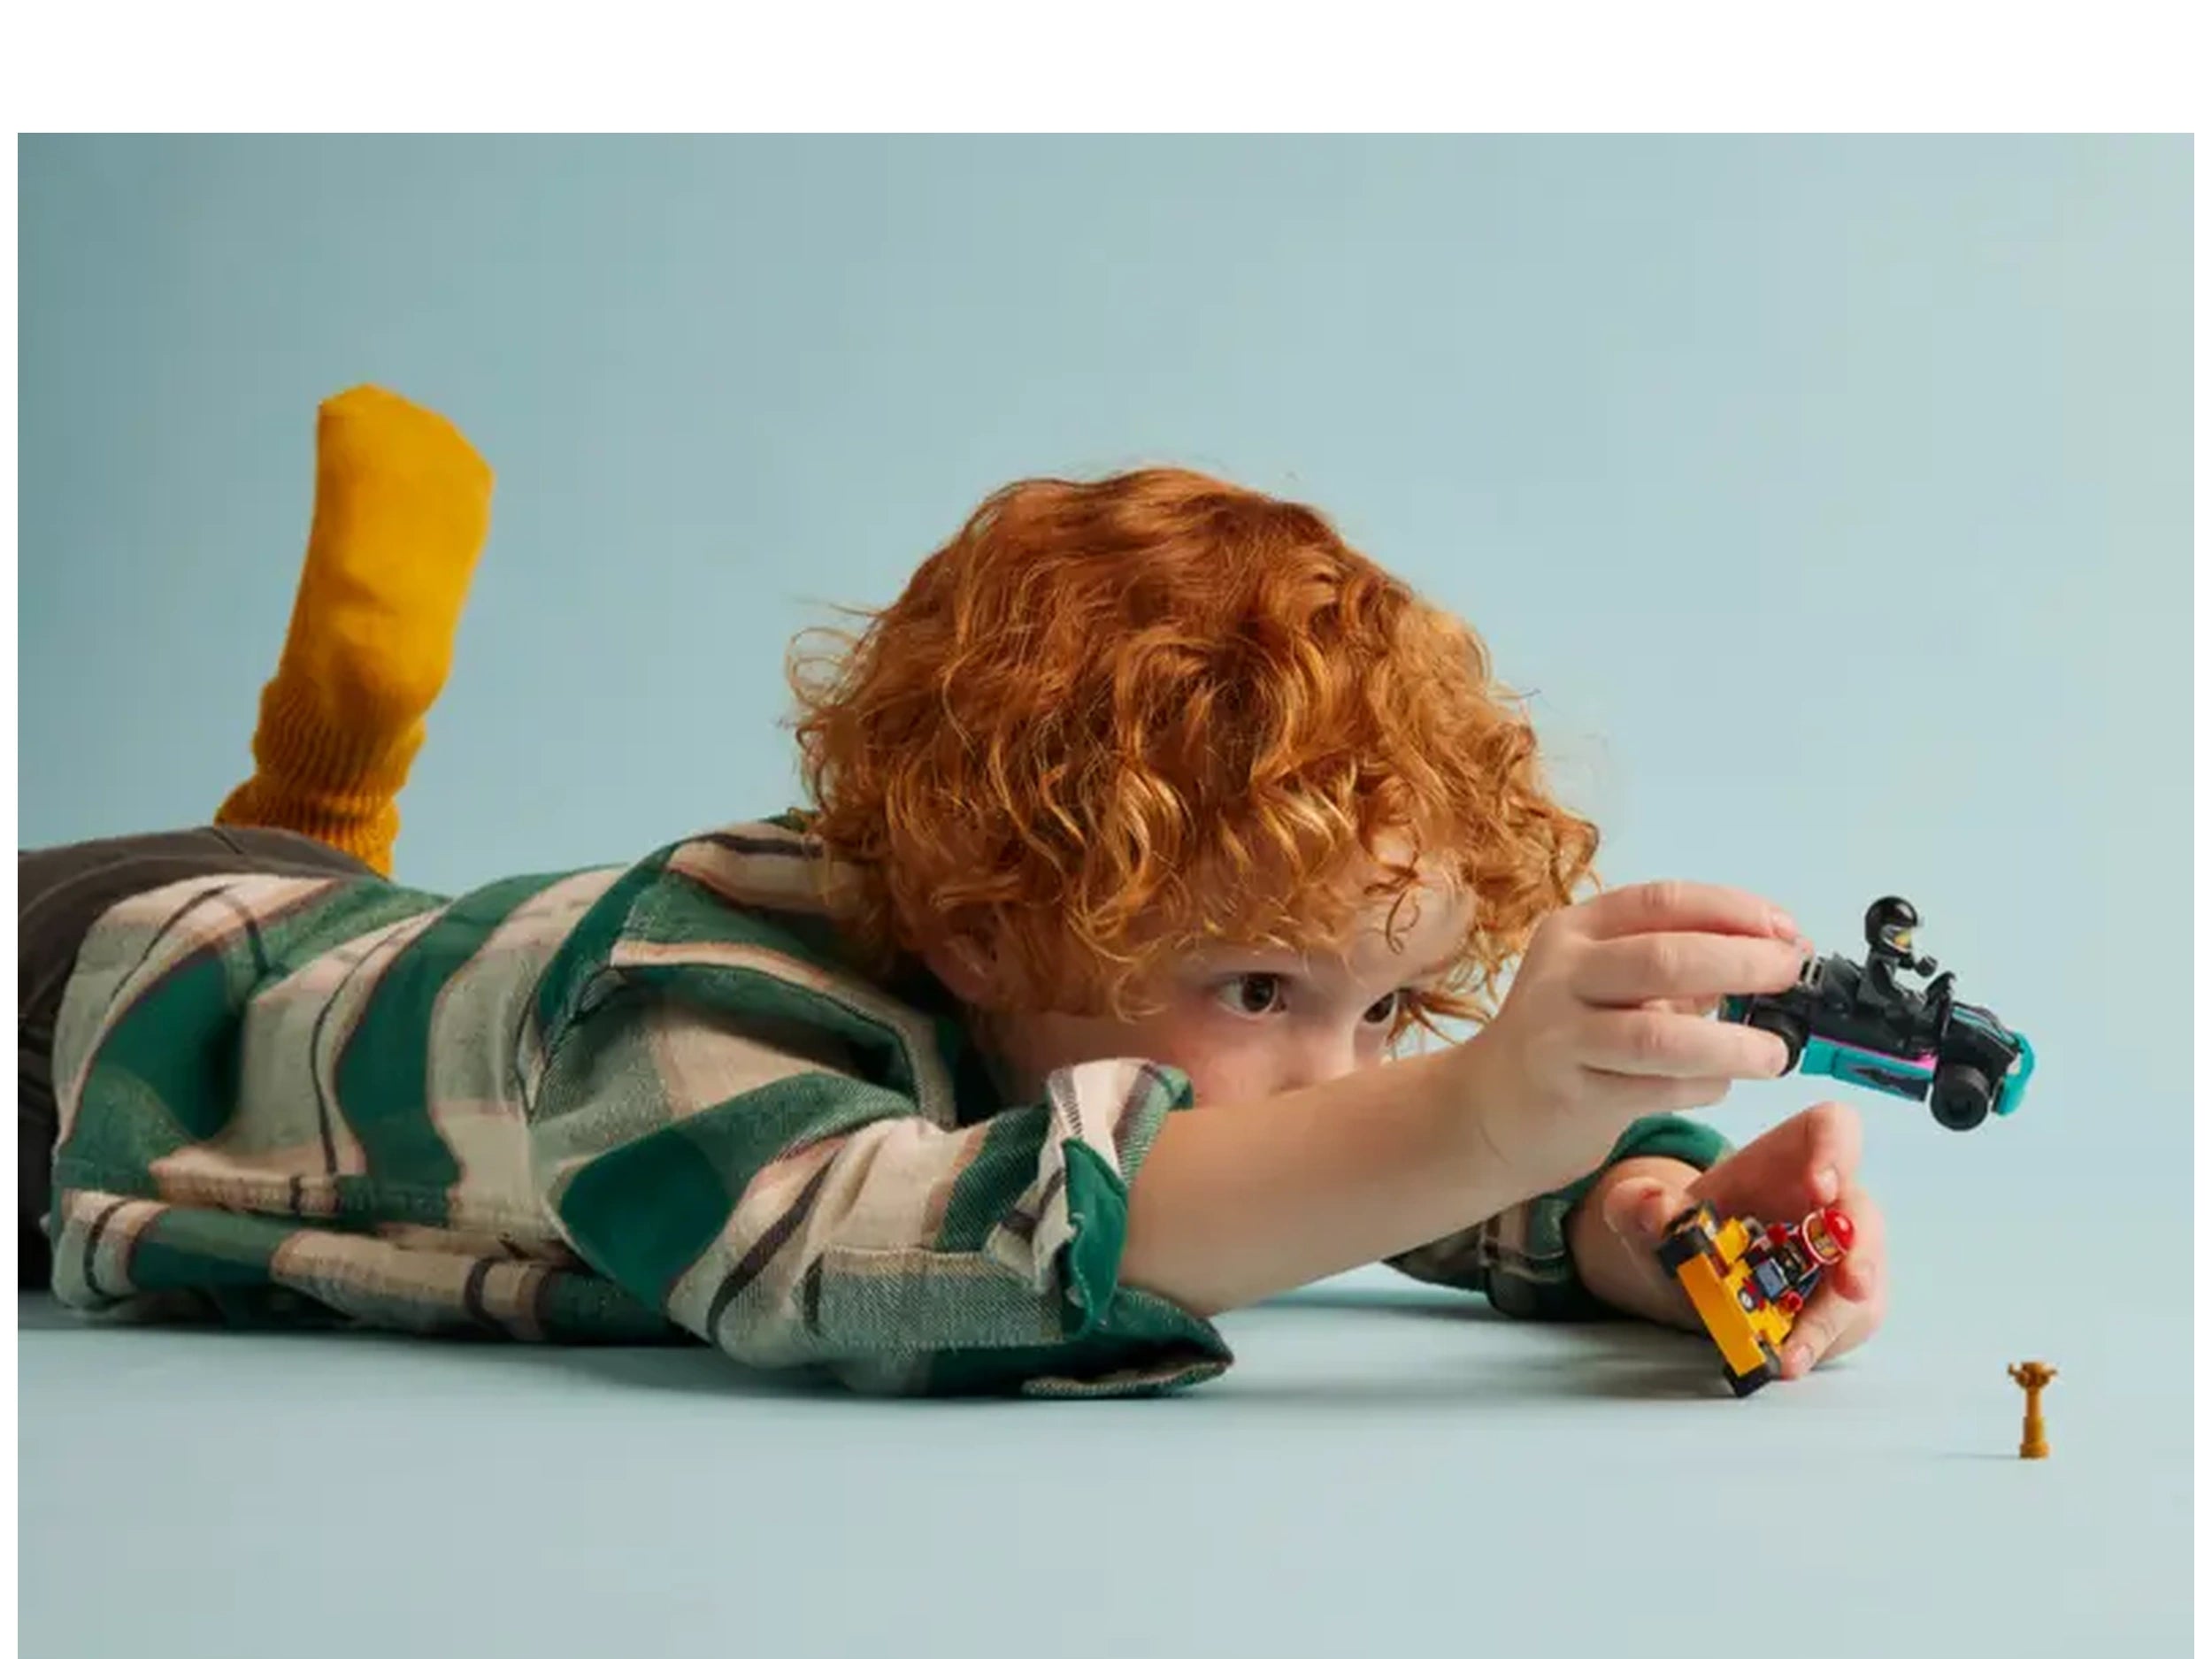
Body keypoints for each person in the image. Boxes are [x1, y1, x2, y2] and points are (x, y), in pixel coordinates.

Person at [18, 388, 1886, 1398]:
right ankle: (320, 801)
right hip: (87, 1006)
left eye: (1386, 1005)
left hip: (340, 961)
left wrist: (1629, 1212)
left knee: (336, 926)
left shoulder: (1123, 1005)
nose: (1336, 1077)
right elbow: (868, 1256)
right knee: (278, 950)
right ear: (982, 927)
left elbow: (1314, 1168)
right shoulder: (680, 1022)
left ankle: (328, 797)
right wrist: (1473, 1109)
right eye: (1254, 991)